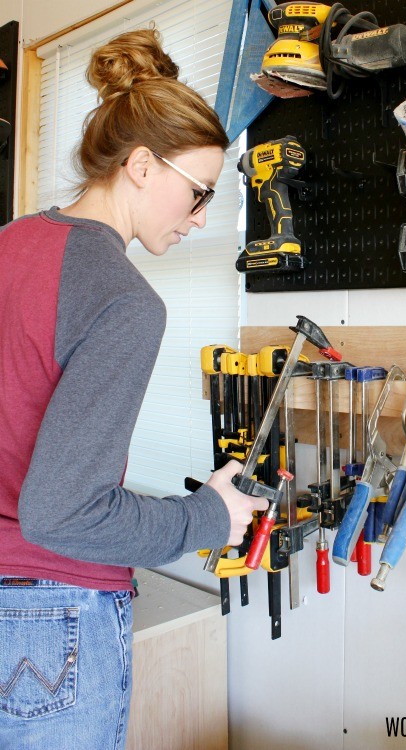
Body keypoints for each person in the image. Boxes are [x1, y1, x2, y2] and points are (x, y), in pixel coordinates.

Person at [0, 28, 267, 750]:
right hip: (48, 618)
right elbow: (60, 516)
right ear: (143, 165)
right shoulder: (124, 299)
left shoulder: (7, 245)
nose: (202, 216)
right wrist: (209, 517)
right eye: (200, 191)